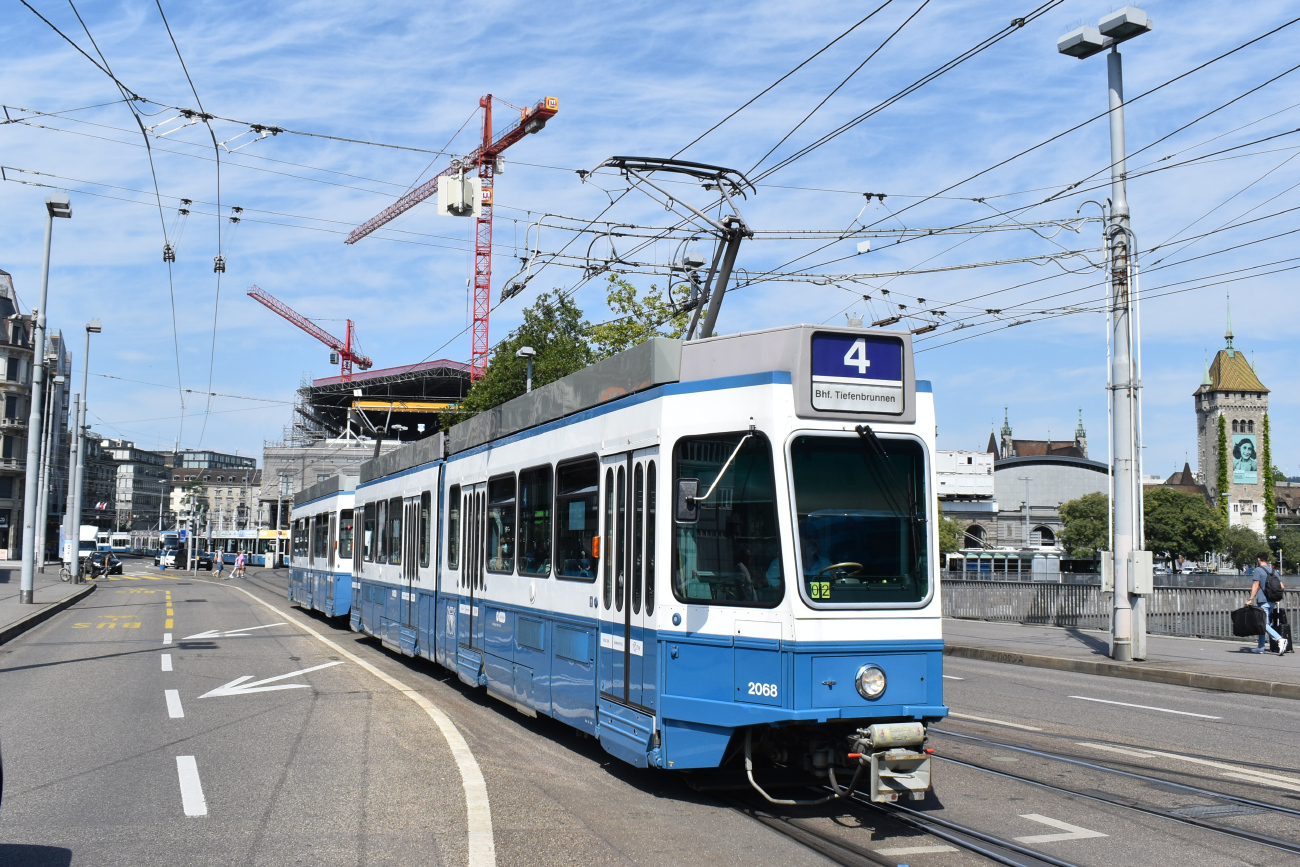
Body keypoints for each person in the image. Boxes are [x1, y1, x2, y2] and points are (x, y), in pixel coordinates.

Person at [1249, 551, 1287, 654]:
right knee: (1264, 623)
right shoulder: (1274, 571)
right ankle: (1261, 646)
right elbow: (1282, 586)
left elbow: (1256, 585)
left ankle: (1280, 639)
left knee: (1262, 623)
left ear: (1258, 559)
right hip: (1272, 601)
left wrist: (1250, 599)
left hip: (1263, 600)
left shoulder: (1258, 570)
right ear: (1267, 559)